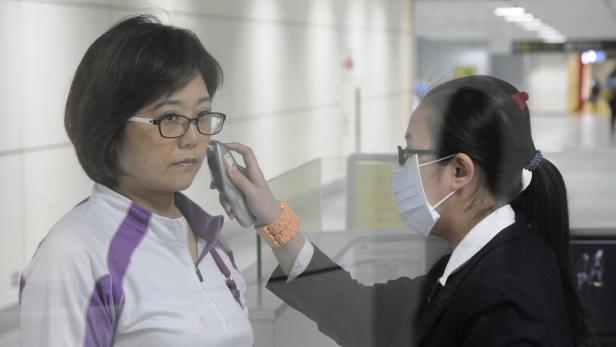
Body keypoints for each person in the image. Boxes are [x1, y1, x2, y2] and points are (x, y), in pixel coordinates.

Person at [220, 75, 592, 346]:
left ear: (459, 171)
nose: (401, 170)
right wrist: (272, 218)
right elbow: (362, 309)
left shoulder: (507, 305)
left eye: (410, 154)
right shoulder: (481, 260)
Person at [19, 15, 254, 346]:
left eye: (201, 116)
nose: (191, 138)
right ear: (111, 128)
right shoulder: (75, 256)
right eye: (169, 118)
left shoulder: (208, 238)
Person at [606, 69, 616, 137]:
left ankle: (612, 127)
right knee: (613, 113)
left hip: (612, 98)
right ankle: (612, 127)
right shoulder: (610, 79)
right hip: (612, 98)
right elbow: (607, 87)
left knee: (613, 113)